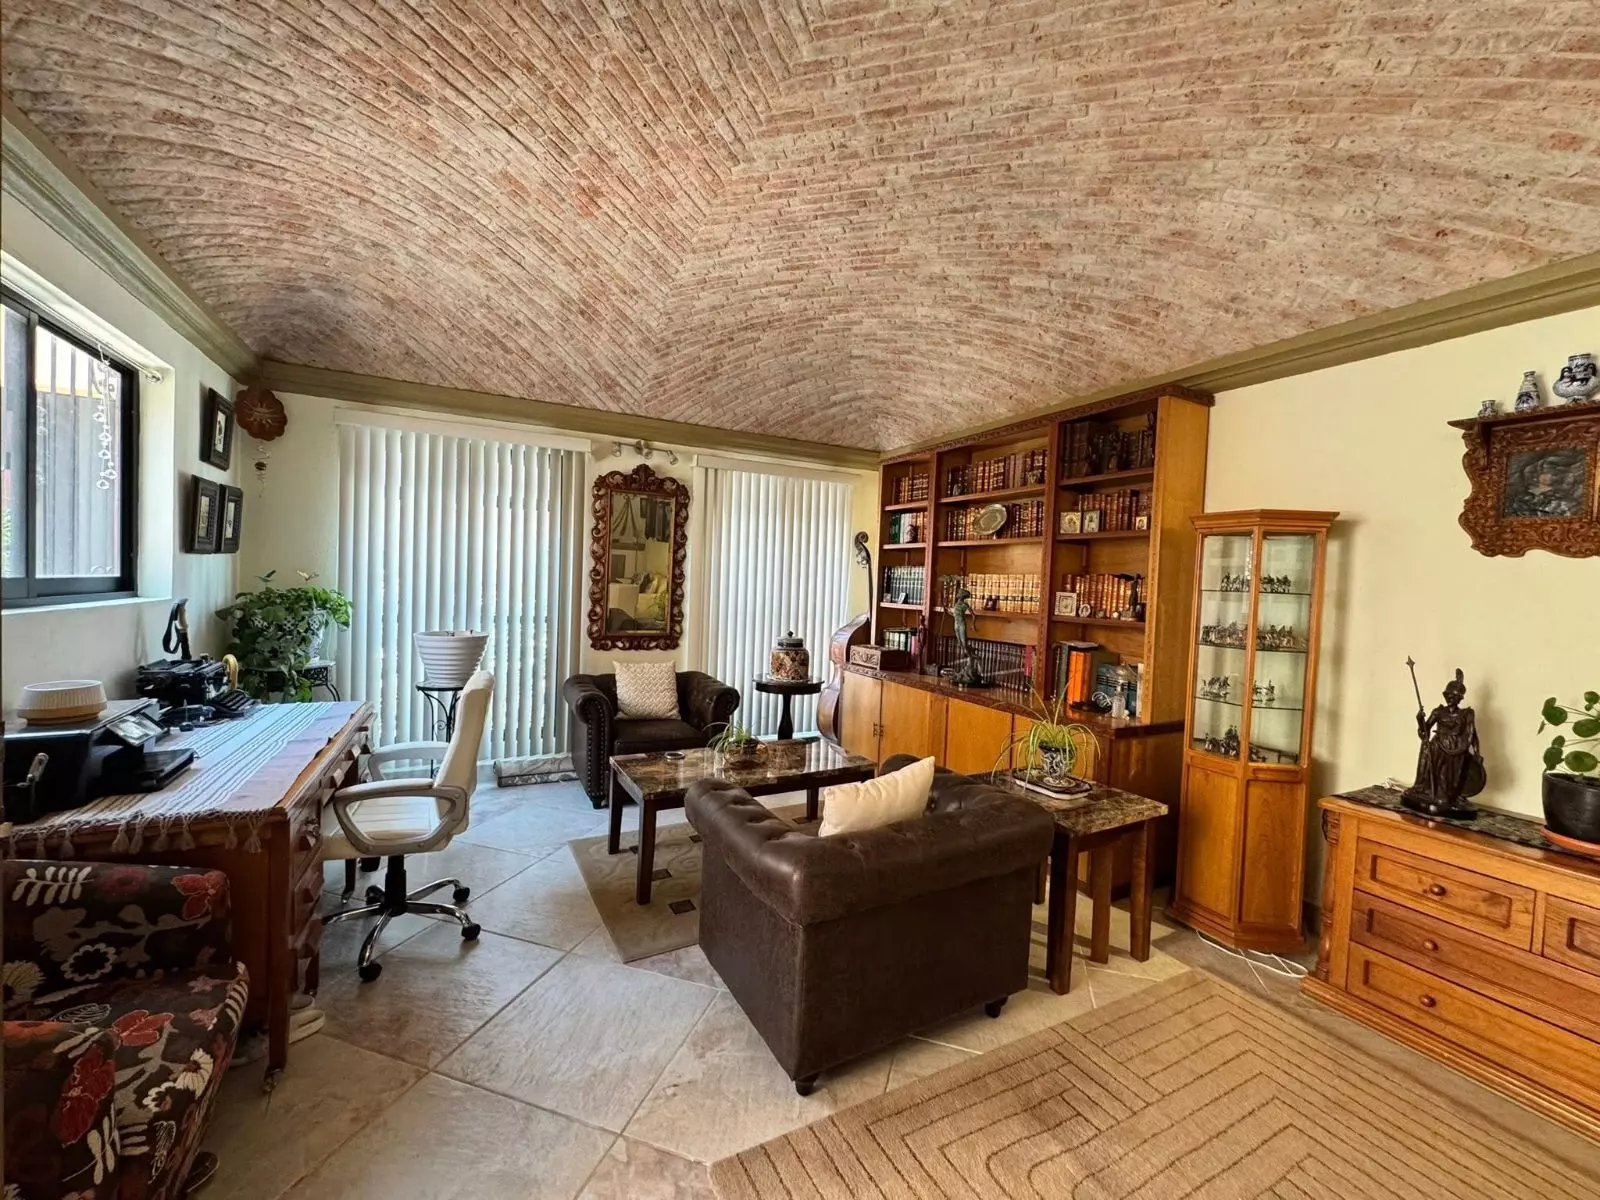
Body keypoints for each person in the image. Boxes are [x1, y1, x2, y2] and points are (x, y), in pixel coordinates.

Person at [1402, 669, 1486, 816]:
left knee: (1447, 787)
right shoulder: (1438, 712)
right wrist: (1420, 720)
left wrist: (1477, 754)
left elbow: (1472, 736)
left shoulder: (1466, 714)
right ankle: (1423, 788)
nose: (1450, 698)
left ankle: (1446, 796)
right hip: (1437, 746)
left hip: (1456, 751)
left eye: (1454, 696)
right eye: (1448, 695)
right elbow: (1424, 733)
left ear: (1460, 698)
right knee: (1431, 772)